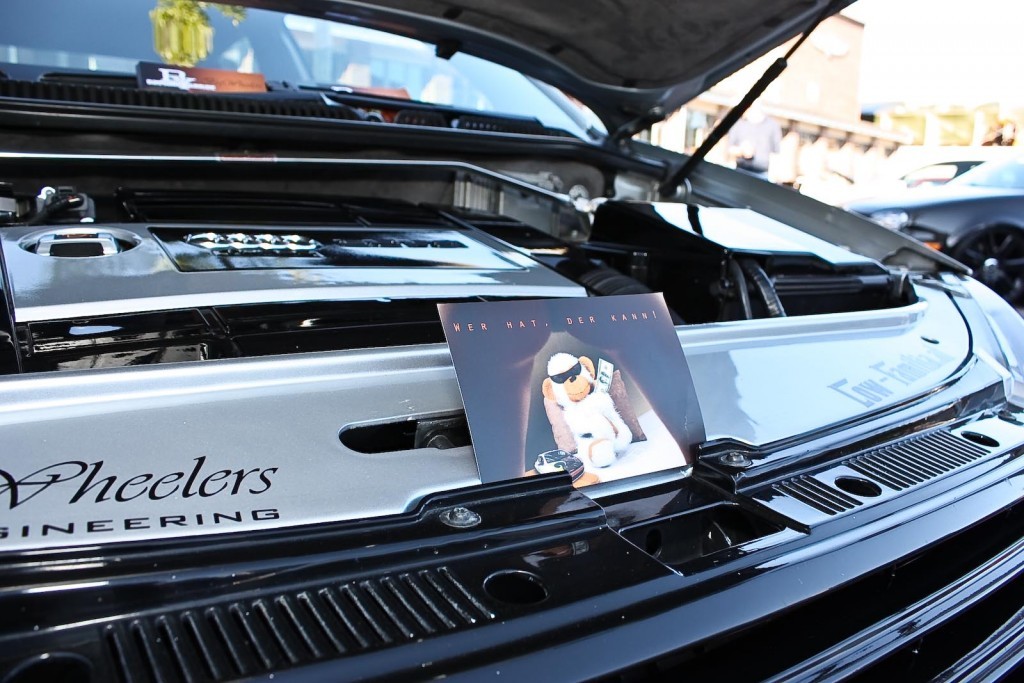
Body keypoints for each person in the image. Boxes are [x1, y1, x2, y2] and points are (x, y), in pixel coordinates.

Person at [727, 103, 782, 179]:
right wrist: (742, 151)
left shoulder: (772, 125)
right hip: (740, 170)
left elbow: (776, 153)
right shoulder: (738, 123)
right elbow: (730, 148)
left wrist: (773, 177)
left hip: (762, 174)